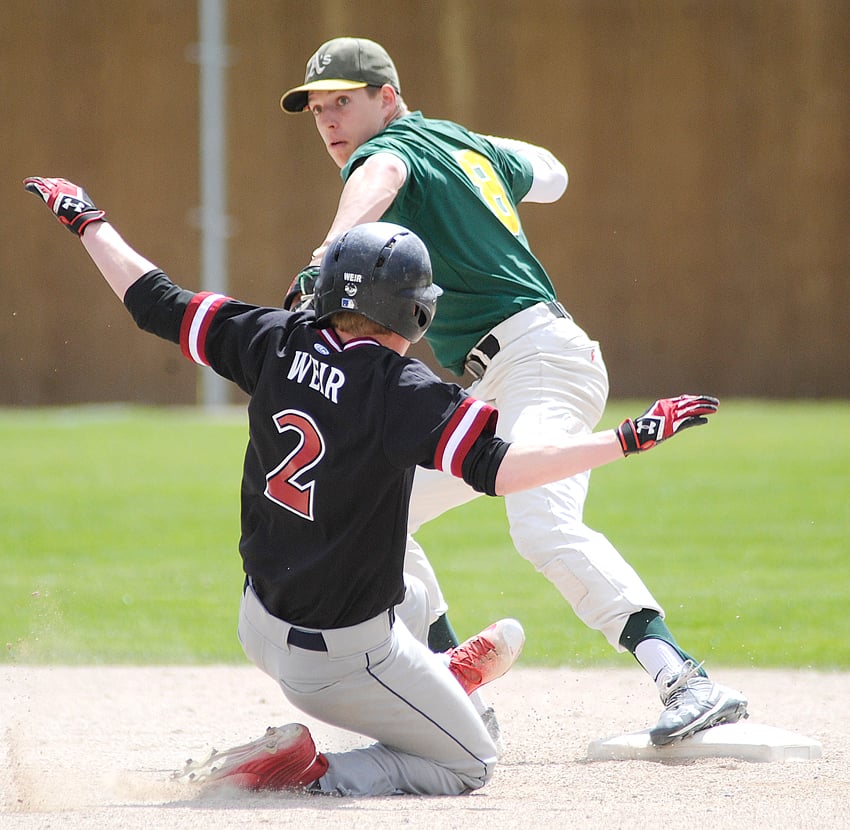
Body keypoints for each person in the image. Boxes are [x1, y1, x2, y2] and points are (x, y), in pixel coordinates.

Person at [26, 176, 720, 794]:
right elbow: (508, 469)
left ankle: (442, 669)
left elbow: (154, 300)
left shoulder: (274, 338)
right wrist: (625, 439)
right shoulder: (403, 389)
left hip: (258, 618)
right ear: (416, 314)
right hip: (340, 662)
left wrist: (88, 220)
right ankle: (314, 773)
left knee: (410, 581)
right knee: (470, 762)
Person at [279, 36, 748, 747]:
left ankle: (687, 680)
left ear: (389, 99)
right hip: (503, 375)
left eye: (343, 101)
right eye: (317, 109)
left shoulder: (387, 154)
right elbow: (552, 175)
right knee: (376, 506)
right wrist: (473, 147)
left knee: (540, 521)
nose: (329, 121)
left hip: (539, 360)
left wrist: (324, 260)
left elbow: (374, 186)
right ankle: (448, 683)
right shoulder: (460, 146)